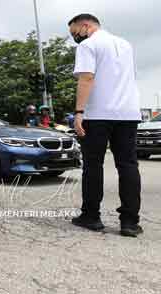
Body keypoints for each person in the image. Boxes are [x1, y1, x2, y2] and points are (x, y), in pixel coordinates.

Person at [68, 14, 143, 237]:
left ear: (85, 26)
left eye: (74, 33)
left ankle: (91, 216)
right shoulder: (125, 45)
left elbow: (86, 78)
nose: (75, 38)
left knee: (93, 165)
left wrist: (79, 112)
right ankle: (129, 222)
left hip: (98, 113)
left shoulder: (89, 45)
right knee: (128, 165)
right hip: (128, 113)